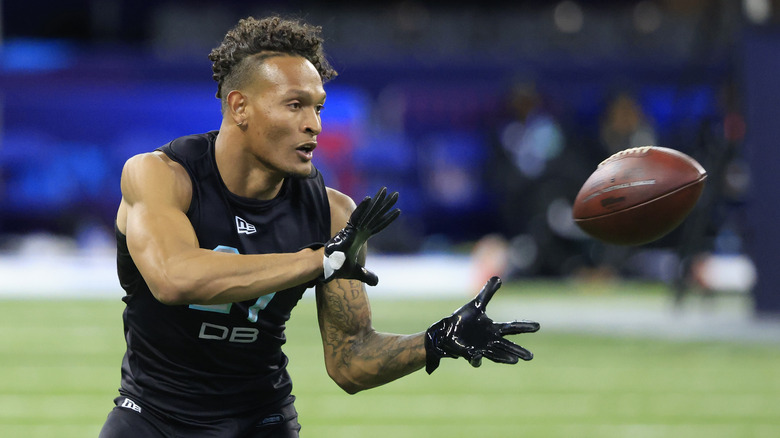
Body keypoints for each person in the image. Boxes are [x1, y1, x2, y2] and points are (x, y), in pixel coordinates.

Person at [99, 15, 539, 438]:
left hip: (261, 421)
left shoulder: (332, 213)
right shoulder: (161, 176)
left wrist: (436, 340)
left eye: (318, 107)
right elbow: (175, 278)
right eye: (294, 105)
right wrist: (318, 261)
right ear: (239, 107)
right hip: (153, 417)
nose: (314, 124)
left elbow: (351, 361)